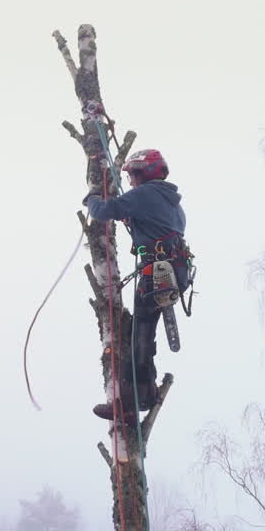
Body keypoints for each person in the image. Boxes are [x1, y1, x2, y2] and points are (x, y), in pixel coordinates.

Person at [82, 148, 189, 420]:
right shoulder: (173, 203)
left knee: (138, 338)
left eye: (132, 175)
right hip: (173, 273)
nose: (130, 181)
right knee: (142, 334)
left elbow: (106, 210)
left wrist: (93, 198)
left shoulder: (145, 194)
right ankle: (146, 391)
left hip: (156, 273)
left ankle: (133, 401)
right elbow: (151, 223)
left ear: (144, 174)